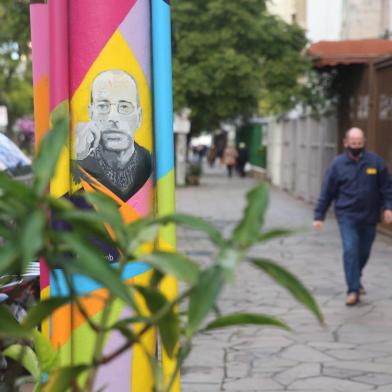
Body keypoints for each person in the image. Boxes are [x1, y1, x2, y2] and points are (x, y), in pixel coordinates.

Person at [313, 127, 392, 306]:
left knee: (363, 252)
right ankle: (353, 290)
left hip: (369, 216)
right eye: (353, 143)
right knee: (350, 250)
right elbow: (327, 191)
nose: (356, 146)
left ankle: (356, 277)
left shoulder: (376, 162)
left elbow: (387, 187)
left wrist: (389, 207)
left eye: (359, 143)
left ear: (364, 143)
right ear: (346, 142)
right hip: (347, 215)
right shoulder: (337, 165)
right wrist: (319, 215)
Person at [73, 69, 152, 202]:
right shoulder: (78, 164)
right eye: (103, 106)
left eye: (125, 107)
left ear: (139, 117)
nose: (113, 117)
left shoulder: (150, 165)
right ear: (91, 113)